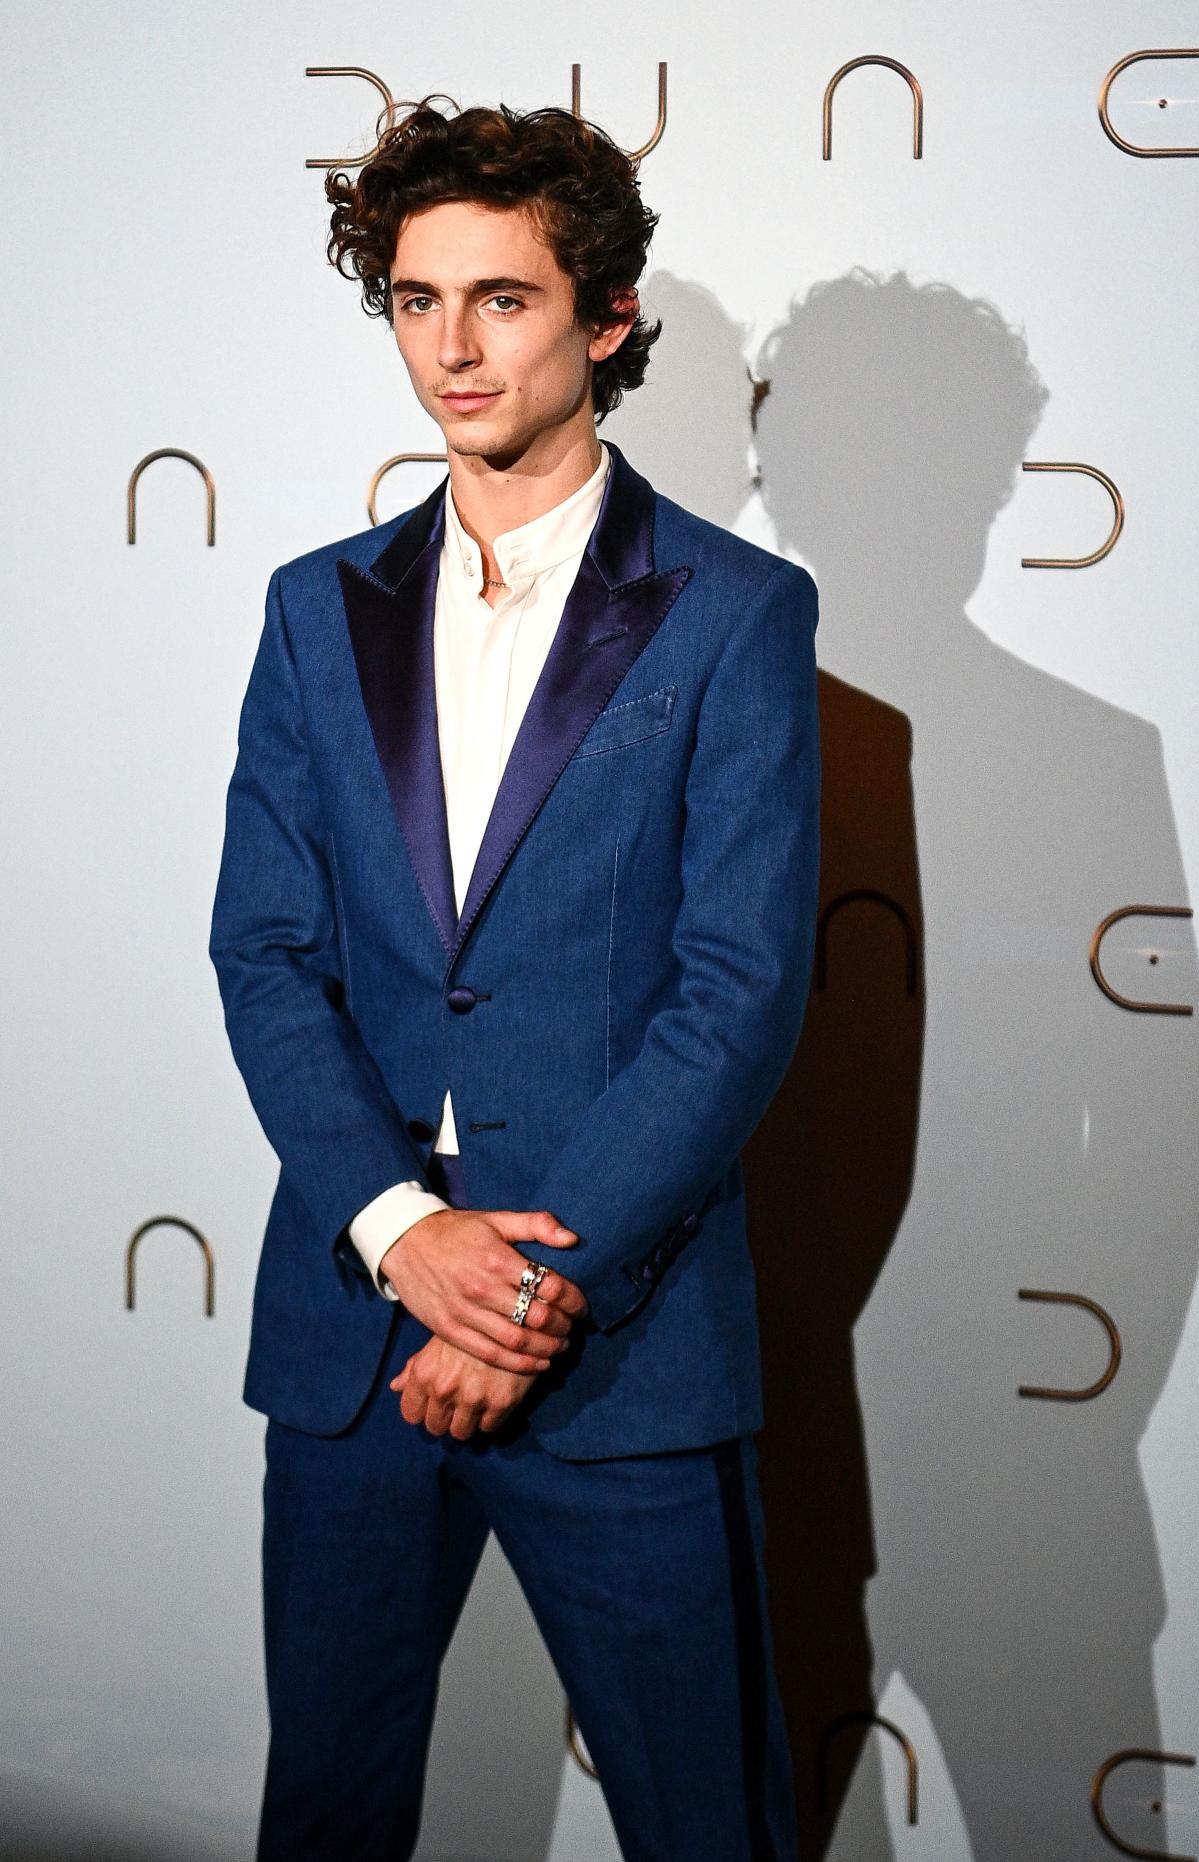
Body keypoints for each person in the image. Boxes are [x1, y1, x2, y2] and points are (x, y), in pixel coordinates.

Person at [208, 94, 820, 1862]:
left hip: (612, 1333)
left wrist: (529, 1292)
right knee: (323, 1813)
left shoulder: (731, 610)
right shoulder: (313, 609)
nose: (452, 347)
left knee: (705, 1823)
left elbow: (736, 987)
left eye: (502, 298)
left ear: (605, 318)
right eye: (414, 299)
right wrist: (406, 1235)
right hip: (352, 1322)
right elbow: (265, 949)